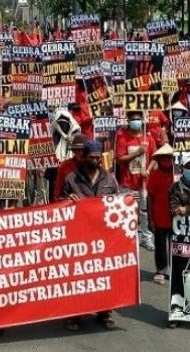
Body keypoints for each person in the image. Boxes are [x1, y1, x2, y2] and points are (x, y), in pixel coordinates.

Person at [62, 140, 118, 331]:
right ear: (84, 157)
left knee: (102, 275)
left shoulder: (110, 180)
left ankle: (104, 313)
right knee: (78, 276)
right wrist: (67, 200)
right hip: (79, 237)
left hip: (103, 236)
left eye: (98, 157)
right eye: (91, 157)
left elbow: (117, 203)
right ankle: (74, 315)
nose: (95, 160)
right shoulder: (71, 179)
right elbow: (59, 204)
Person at [115, 111, 157, 250]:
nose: (136, 121)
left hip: (144, 183)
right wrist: (137, 153)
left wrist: (148, 170)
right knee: (127, 212)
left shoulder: (148, 138)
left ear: (142, 120)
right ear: (128, 121)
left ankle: (146, 238)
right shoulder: (122, 137)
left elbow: (154, 158)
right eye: (133, 119)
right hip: (127, 182)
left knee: (144, 212)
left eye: (138, 119)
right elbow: (119, 159)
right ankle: (128, 239)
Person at [146, 144, 175, 285]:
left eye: (169, 157)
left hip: (176, 218)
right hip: (159, 217)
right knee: (160, 247)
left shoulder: (178, 174)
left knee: (175, 246)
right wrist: (150, 219)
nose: (166, 160)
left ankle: (176, 270)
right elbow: (149, 197)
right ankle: (161, 270)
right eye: (163, 158)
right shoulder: (154, 175)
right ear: (158, 160)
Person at [52, 133, 87, 201]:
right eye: (77, 150)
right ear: (73, 150)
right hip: (72, 207)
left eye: (83, 150)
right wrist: (67, 197)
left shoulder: (93, 166)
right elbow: (57, 194)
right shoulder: (64, 166)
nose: (80, 152)